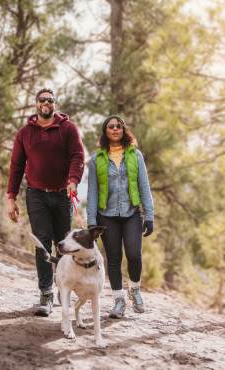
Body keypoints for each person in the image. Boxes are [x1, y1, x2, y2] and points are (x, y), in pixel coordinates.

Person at [6, 88, 85, 316]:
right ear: (36, 104)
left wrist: (73, 180)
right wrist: (11, 197)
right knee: (41, 242)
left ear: (54, 104)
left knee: (63, 245)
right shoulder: (24, 133)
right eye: (42, 100)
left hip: (62, 194)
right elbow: (16, 166)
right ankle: (45, 294)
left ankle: (63, 288)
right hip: (36, 194)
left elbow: (77, 156)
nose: (46, 103)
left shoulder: (68, 129)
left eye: (50, 100)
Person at [87, 115, 154, 318]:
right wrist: (92, 221)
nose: (115, 129)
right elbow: (92, 193)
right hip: (106, 215)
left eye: (118, 126)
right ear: (105, 131)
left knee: (134, 254)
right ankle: (118, 300)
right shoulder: (96, 159)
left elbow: (144, 186)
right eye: (111, 127)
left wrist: (149, 215)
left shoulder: (135, 155)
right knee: (114, 258)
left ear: (123, 130)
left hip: (131, 212)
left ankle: (134, 289)